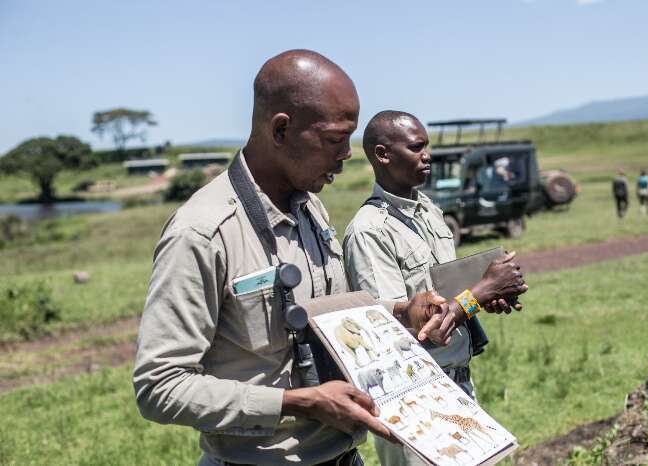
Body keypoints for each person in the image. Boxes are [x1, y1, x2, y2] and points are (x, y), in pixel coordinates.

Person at [132, 52, 451, 466]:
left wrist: (401, 312)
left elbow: (333, 323)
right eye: (336, 139)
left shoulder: (311, 209)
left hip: (342, 456)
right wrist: (296, 403)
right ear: (281, 129)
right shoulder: (203, 232)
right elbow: (160, 387)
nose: (348, 154)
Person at [343, 110, 528, 466]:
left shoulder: (427, 209)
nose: (427, 155)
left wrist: (485, 297)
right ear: (383, 155)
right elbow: (393, 331)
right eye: (416, 147)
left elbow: (446, 293)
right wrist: (480, 293)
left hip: (457, 383)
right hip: (414, 397)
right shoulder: (369, 230)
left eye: (426, 146)